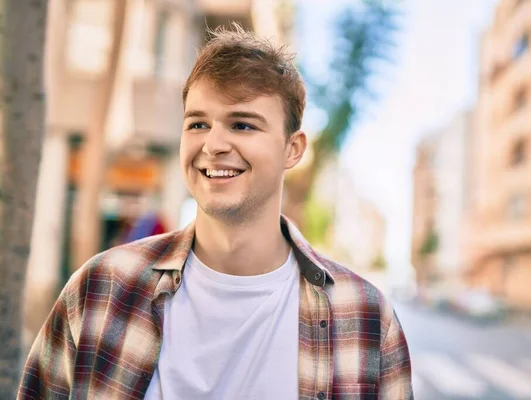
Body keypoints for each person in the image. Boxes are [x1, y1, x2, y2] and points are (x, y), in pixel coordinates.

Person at [18, 26, 413, 400]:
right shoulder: (101, 289)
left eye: (242, 125)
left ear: (293, 149)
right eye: (198, 124)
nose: (213, 144)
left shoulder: (366, 318)